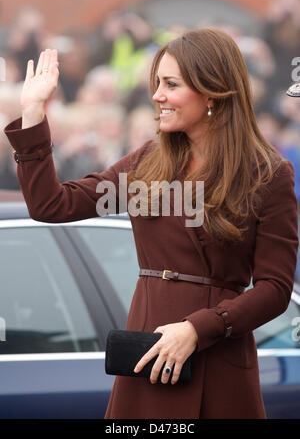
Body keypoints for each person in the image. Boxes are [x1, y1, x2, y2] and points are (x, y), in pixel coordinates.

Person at [3, 29, 298, 419]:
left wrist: (197, 329)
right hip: (148, 358)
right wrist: (35, 112)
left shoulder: (268, 174)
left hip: (220, 364)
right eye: (157, 83)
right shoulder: (148, 162)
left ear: (212, 91)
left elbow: (275, 289)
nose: (157, 95)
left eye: (170, 84)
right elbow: (51, 205)